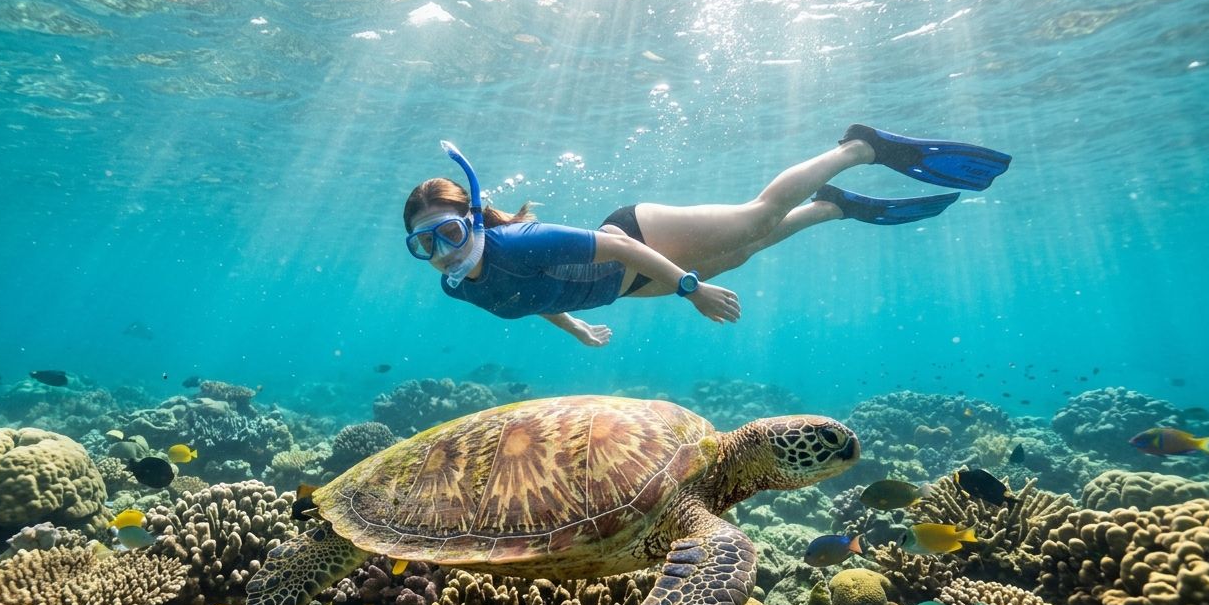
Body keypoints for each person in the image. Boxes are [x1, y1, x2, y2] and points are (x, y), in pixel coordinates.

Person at [404, 125, 1010, 347]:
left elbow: (612, 245)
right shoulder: (460, 288)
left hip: (634, 235)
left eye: (449, 231)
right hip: (619, 289)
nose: (442, 251)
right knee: (744, 253)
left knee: (755, 219)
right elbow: (526, 298)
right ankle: (832, 208)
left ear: (475, 220)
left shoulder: (517, 242)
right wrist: (579, 326)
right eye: (423, 244)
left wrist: (689, 287)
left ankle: (860, 148)